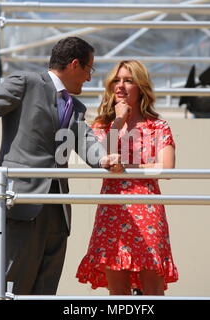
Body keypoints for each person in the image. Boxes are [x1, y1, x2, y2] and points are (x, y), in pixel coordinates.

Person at [0, 37, 122, 295]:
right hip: (22, 202)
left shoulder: (74, 106)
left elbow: (84, 138)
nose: (89, 78)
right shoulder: (26, 83)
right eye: (89, 69)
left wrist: (103, 158)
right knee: (13, 288)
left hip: (58, 211)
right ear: (74, 64)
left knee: (46, 292)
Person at [76, 60, 179, 295]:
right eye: (116, 80)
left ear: (141, 87)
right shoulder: (103, 125)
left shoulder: (158, 126)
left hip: (147, 208)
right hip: (113, 208)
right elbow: (101, 158)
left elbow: (168, 168)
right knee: (117, 286)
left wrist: (127, 167)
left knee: (152, 283)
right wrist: (119, 121)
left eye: (128, 80)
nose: (120, 86)